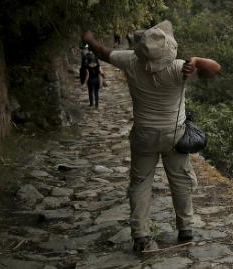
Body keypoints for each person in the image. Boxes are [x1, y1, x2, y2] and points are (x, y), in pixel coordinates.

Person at [82, 20, 221, 254]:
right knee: (180, 180)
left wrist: (88, 38)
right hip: (174, 135)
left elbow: (102, 52)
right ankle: (185, 228)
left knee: (140, 183)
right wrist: (196, 60)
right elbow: (215, 68)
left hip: (143, 134)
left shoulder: (130, 61)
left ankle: (140, 234)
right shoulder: (180, 68)